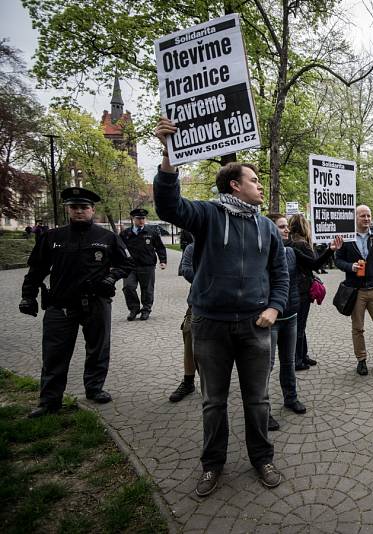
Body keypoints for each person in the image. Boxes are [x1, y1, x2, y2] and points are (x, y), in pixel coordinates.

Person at [153, 117, 289, 496]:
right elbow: (169, 206)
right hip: (210, 326)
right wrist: (168, 157)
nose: (259, 185)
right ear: (235, 185)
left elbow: (280, 272)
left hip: (255, 327)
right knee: (213, 402)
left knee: (258, 400)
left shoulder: (265, 227)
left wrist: (275, 308)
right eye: (254, 180)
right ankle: (212, 465)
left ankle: (262, 458)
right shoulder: (209, 215)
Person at [19, 187, 134, 417]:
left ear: (93, 210)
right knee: (54, 353)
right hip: (60, 305)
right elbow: (36, 270)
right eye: (74, 207)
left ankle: (94, 389)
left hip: (96, 303)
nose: (79, 211)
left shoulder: (107, 237)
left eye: (84, 207)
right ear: (67, 210)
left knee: (98, 349)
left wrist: (111, 277)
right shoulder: (52, 237)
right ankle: (49, 401)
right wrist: (27, 295)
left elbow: (127, 264)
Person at [334, 204, 373, 376]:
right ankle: (361, 360)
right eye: (362, 216)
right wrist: (350, 266)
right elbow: (337, 261)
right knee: (358, 328)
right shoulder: (346, 238)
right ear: (355, 217)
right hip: (356, 291)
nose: (367, 219)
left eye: (368, 215)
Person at [286, 214, 343, 370]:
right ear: (305, 226)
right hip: (302, 290)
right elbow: (315, 264)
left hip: (295, 288)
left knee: (300, 325)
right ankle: (298, 360)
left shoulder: (291, 243)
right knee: (299, 326)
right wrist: (330, 250)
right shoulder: (301, 244)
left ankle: (303, 356)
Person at [266, 214, 307, 422]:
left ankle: (291, 398)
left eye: (286, 227)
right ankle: (263, 411)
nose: (286, 230)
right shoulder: (261, 253)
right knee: (267, 365)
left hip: (291, 315)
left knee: (288, 362)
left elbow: (312, 264)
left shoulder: (291, 252)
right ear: (270, 229)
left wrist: (331, 250)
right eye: (282, 226)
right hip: (270, 320)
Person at [120, 208, 167, 321]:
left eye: (143, 218)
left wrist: (163, 261)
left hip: (147, 265)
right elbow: (119, 249)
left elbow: (160, 247)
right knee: (128, 287)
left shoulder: (151, 232)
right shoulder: (125, 234)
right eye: (138, 218)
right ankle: (134, 309)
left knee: (147, 289)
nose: (141, 221)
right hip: (130, 266)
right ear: (133, 219)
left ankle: (146, 310)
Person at [170, 241, 197, 402]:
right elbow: (187, 271)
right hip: (198, 303)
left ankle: (217, 383)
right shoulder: (192, 248)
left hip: (226, 305)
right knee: (189, 335)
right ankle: (188, 381)